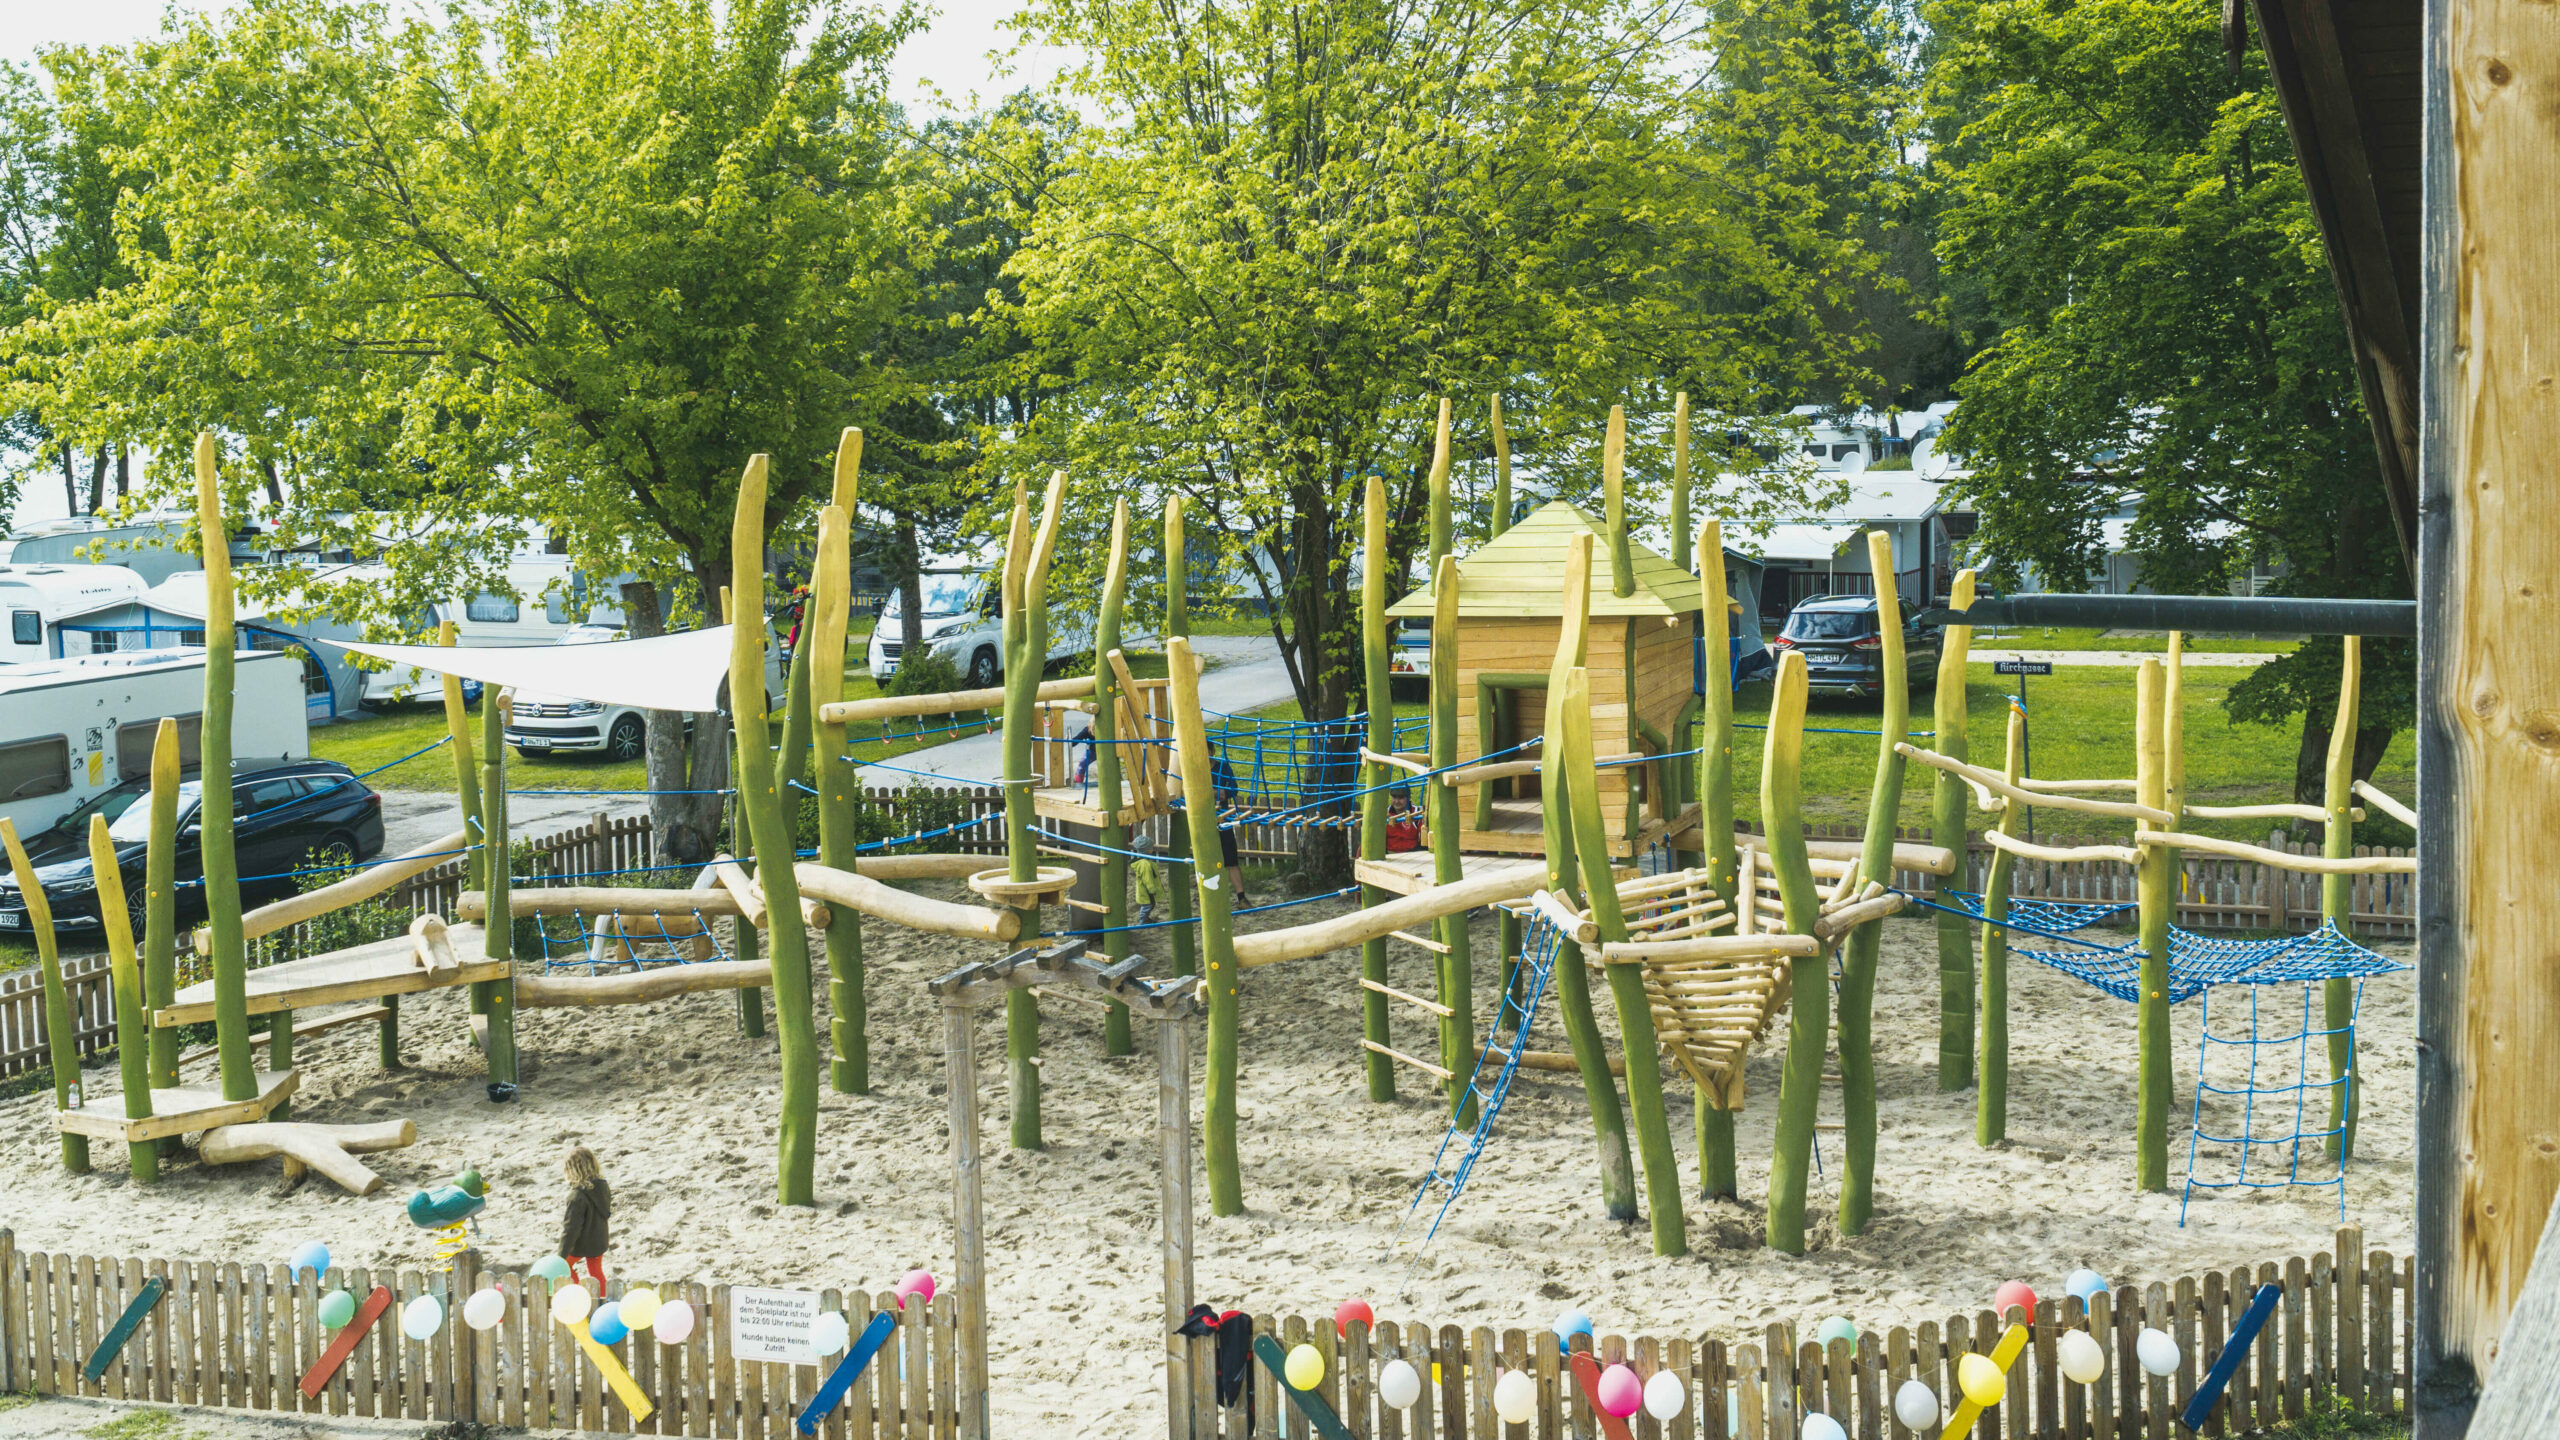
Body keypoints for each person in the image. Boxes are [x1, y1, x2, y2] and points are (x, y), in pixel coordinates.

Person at [558, 1144, 611, 1290]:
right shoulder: (602, 1186)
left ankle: (576, 1290)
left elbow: (570, 1228)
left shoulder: (576, 1197)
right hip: (599, 1239)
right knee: (596, 1271)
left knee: (565, 1266)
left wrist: (560, 1256)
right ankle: (602, 1297)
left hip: (582, 1242)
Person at [1129, 832, 1164, 925]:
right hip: (1147, 891)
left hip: (1146, 890)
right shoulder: (1145, 864)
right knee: (1148, 905)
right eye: (1151, 847)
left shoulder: (1145, 861)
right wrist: (1152, 889)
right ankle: (1143, 920)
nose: (1152, 849)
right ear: (1147, 850)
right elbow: (1147, 878)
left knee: (1150, 905)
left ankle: (1145, 918)